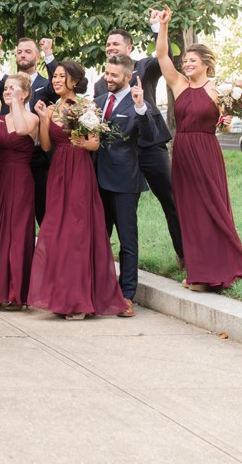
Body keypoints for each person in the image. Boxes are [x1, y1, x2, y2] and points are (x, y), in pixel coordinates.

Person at [153, 6, 242, 291]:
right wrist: (162, 26)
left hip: (207, 152)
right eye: (185, 60)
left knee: (212, 207)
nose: (186, 64)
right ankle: (198, 272)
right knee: (189, 211)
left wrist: (227, 121)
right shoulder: (179, 84)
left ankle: (222, 266)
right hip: (183, 153)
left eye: (192, 60)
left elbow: (224, 127)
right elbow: (161, 55)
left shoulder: (219, 89)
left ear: (206, 62)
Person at [28, 61, 128, 320]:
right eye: (55, 77)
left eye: (62, 76)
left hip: (80, 171)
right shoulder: (51, 109)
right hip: (58, 173)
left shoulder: (85, 106)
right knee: (56, 230)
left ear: (74, 81)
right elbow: (47, 146)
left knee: (77, 231)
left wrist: (79, 138)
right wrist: (42, 119)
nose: (56, 80)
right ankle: (61, 296)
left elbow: (94, 144)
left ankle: (81, 301)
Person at [0, 32, 58, 294]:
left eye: (28, 51)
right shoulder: (7, 83)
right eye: (19, 51)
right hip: (4, 161)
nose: (22, 55)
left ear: (37, 56)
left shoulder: (46, 84)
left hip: (36, 162)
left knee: (43, 218)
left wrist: (51, 56)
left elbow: (58, 82)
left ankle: (47, 277)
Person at [94, 29, 184, 270]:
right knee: (110, 209)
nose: (111, 47)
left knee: (169, 199)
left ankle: (185, 256)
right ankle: (101, 268)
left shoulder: (145, 67)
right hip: (121, 156)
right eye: (108, 44)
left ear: (129, 48)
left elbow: (165, 57)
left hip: (150, 145)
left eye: (115, 44)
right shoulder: (100, 84)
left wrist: (158, 30)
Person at [94, 55, 155, 318]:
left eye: (114, 75)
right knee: (98, 239)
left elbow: (150, 137)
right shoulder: (96, 103)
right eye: (107, 74)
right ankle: (97, 291)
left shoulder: (138, 103)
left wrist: (142, 109)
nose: (108, 79)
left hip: (124, 183)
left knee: (127, 242)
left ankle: (127, 296)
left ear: (128, 77)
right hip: (94, 180)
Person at [0, 73, 38, 309]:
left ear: (24, 93)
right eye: (5, 88)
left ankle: (17, 292)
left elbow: (23, 131)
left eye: (12, 88)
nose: (6, 91)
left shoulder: (32, 118)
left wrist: (14, 104)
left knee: (18, 232)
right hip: (1, 178)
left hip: (21, 179)